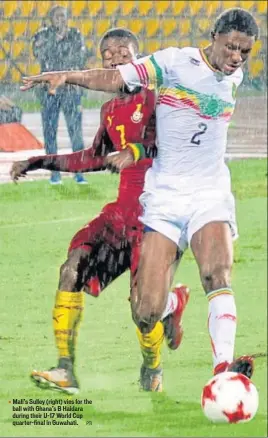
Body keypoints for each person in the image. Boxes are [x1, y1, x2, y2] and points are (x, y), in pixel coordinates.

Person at [21, 7, 258, 386]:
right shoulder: (173, 63)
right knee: (145, 312)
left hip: (209, 191)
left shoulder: (232, 76)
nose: (236, 58)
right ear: (213, 37)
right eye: (230, 47)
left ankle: (222, 373)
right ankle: (170, 305)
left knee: (216, 273)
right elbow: (117, 80)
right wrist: (67, 76)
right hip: (163, 197)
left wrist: (134, 153)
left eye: (244, 52)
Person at [12, 28, 189, 394]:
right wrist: (40, 160)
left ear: (137, 58)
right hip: (122, 216)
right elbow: (93, 157)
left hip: (160, 217)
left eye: (121, 53)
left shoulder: (163, 98)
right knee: (72, 266)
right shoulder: (111, 109)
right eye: (107, 55)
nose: (113, 59)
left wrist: (137, 152)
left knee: (143, 314)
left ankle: (153, 362)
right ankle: (65, 370)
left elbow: (176, 148)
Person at [32, 5, 88, 184]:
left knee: (76, 131)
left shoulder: (75, 34)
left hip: (70, 90)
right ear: (50, 18)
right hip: (50, 91)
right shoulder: (43, 35)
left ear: (67, 18)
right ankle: (54, 172)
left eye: (63, 16)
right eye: (57, 16)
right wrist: (54, 42)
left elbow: (80, 58)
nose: (60, 19)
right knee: (50, 132)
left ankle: (79, 171)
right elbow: (39, 54)